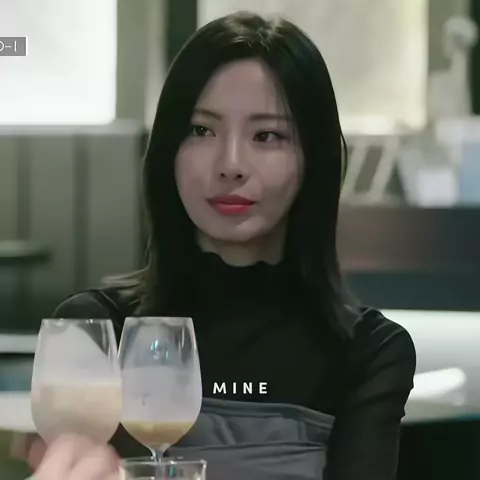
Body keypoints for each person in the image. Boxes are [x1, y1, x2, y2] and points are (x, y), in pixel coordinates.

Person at [19, 11, 416, 480]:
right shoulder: (95, 331)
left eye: (266, 136)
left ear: (313, 159)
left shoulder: (368, 352)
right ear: (169, 151)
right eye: (201, 130)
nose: (230, 164)